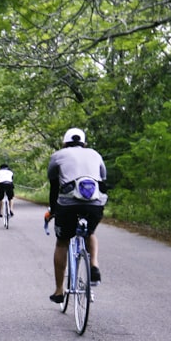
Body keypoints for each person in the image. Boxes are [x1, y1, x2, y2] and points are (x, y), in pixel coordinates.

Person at [47, 127, 108, 303]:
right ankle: (94, 265)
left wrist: (53, 210)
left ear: (64, 143)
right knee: (90, 233)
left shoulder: (58, 155)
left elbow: (53, 185)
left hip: (68, 203)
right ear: (84, 143)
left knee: (62, 242)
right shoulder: (95, 154)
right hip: (95, 203)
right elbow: (103, 179)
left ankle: (59, 290)